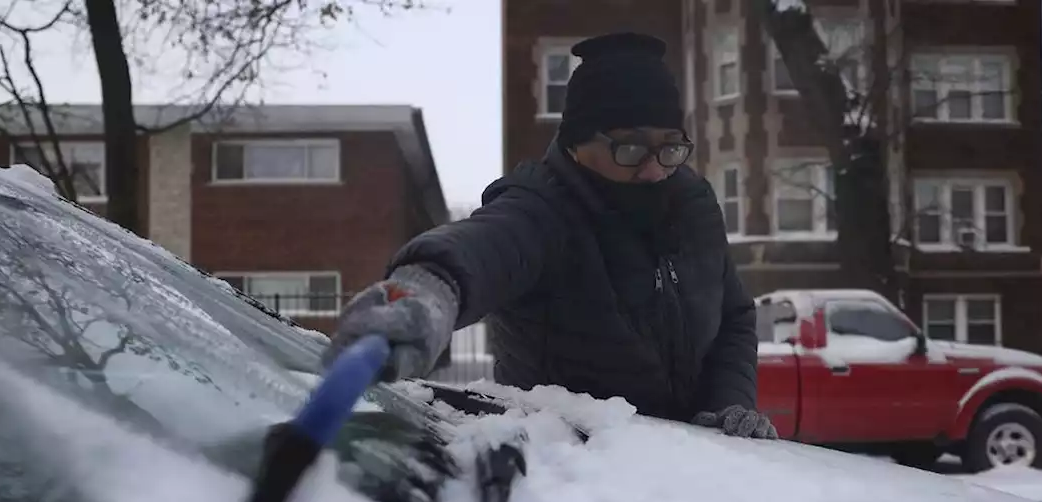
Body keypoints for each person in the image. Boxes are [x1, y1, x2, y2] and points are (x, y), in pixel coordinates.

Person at [323, 31, 777, 440]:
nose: (655, 169)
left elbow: (733, 316)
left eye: (670, 146)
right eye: (631, 147)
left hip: (694, 469)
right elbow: (484, 247)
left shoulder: (692, 203)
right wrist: (423, 295)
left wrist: (727, 406)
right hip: (569, 479)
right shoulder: (542, 209)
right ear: (578, 144)